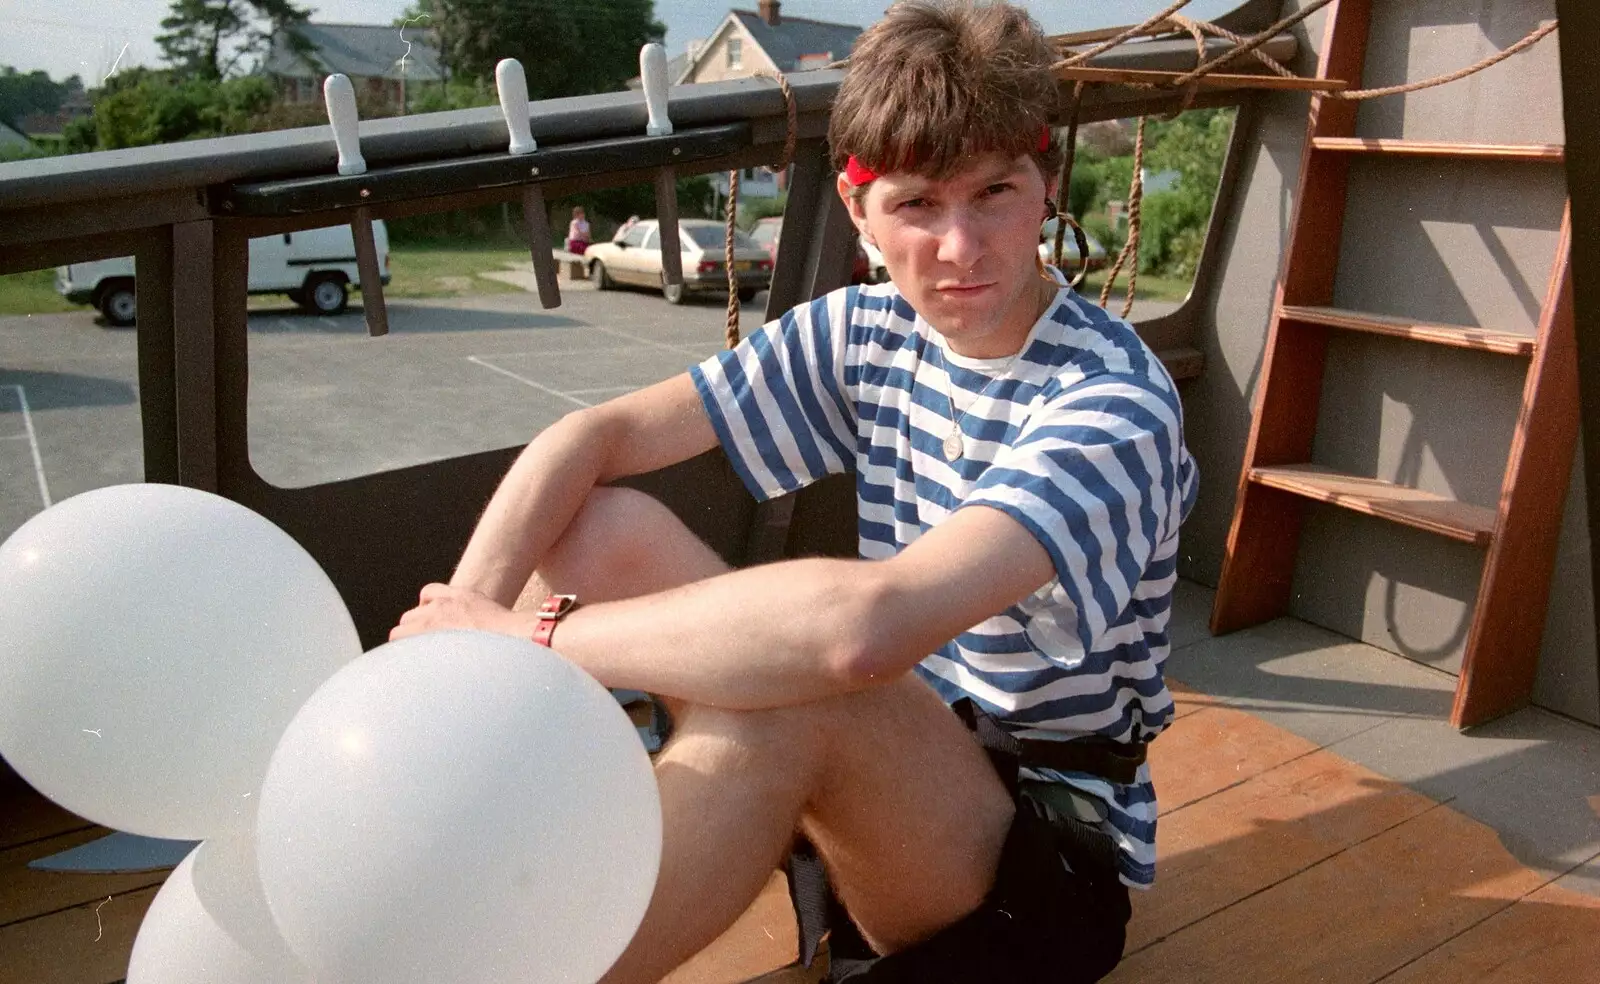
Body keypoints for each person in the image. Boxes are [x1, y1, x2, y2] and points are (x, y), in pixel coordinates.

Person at [392, 2, 1196, 981]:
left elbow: (864, 632)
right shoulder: (868, 330)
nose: (960, 246)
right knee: (595, 529)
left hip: (1038, 868)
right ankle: (458, 846)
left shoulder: (1112, 405)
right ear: (858, 213)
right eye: (916, 206)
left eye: (994, 192)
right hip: (901, 757)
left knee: (804, 687)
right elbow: (589, 437)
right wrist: (445, 653)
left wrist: (523, 637)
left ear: (1045, 187)